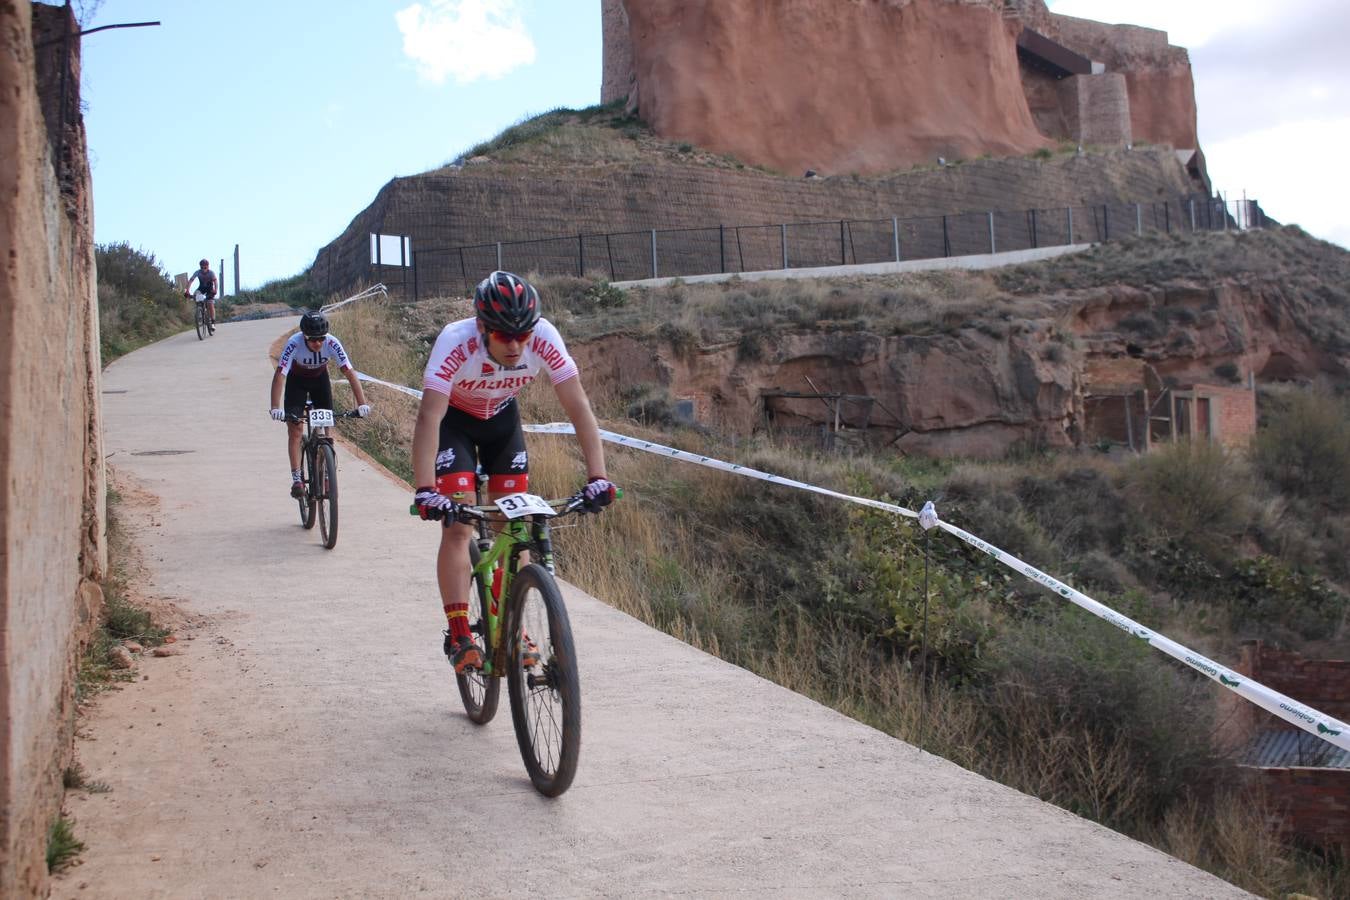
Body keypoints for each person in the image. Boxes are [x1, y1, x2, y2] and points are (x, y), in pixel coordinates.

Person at [411, 271, 617, 673]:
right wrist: (424, 489)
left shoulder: (544, 337)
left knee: (516, 526)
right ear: (483, 327)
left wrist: (598, 476)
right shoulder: (456, 341)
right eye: (506, 336)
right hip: (455, 422)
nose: (517, 345)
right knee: (457, 527)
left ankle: (512, 622)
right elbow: (428, 417)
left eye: (524, 335)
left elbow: (579, 409)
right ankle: (459, 634)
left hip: (503, 423)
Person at [268, 311, 371, 497]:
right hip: (296, 383)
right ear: (304, 337)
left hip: (320, 381)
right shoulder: (294, 343)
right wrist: (275, 407)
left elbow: (350, 373)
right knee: (296, 429)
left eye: (321, 339)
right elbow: (280, 375)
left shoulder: (332, 342)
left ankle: (325, 472)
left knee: (325, 426)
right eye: (313, 340)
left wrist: (362, 404)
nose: (318, 343)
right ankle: (297, 479)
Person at [184, 259, 218, 333]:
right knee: (195, 295)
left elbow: (215, 281)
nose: (203, 269)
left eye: (205, 268)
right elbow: (190, 281)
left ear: (208, 266)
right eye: (202, 268)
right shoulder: (198, 272)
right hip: (201, 288)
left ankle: (212, 323)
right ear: (200, 267)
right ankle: (199, 310)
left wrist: (215, 290)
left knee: (210, 304)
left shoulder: (211, 273)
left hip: (209, 289)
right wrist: (187, 290)